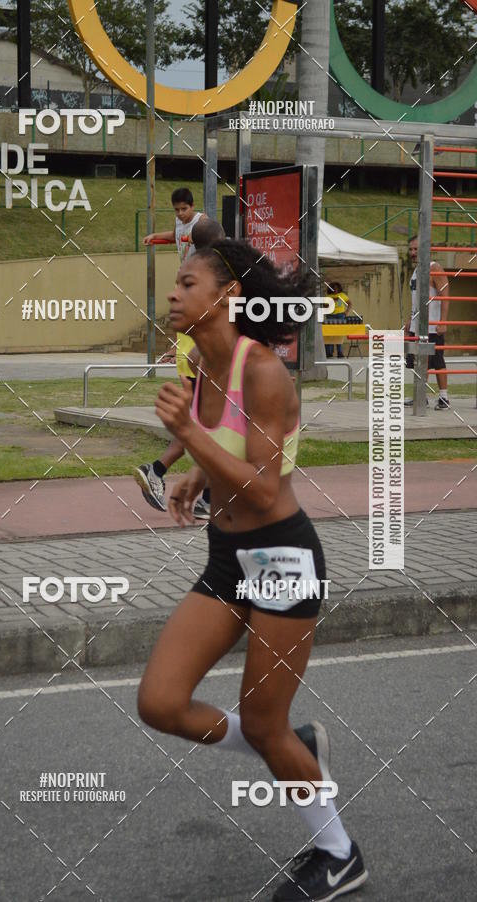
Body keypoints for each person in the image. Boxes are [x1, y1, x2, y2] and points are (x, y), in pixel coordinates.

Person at [137, 240, 367, 902]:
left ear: (228, 294)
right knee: (161, 702)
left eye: (187, 282)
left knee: (262, 722)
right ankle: (293, 747)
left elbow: (267, 489)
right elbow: (222, 453)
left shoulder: (262, 370)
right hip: (226, 557)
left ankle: (339, 852)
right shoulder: (201, 365)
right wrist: (193, 474)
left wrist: (194, 442)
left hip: (282, 558)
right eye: (173, 283)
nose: (173, 293)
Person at [134, 212, 225, 517]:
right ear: (217, 242)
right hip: (206, 358)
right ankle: (160, 472)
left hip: (192, 354)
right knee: (211, 427)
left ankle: (205, 496)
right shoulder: (213, 275)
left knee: (207, 425)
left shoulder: (188, 271)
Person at [404, 234, 450, 409]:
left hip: (432, 325)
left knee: (437, 361)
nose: (413, 252)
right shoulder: (416, 271)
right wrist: (410, 320)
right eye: (411, 249)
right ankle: (420, 396)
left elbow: (446, 297)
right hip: (418, 325)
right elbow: (416, 300)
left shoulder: (435, 268)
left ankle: (444, 397)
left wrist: (443, 321)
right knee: (419, 361)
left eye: (416, 249)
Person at [324, 281, 352, 359]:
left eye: (337, 288)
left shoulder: (342, 295)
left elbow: (350, 303)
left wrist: (346, 312)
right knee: (330, 334)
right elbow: (325, 306)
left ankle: (340, 352)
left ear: (339, 288)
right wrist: (332, 301)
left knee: (339, 334)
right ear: (331, 289)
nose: (335, 290)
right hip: (330, 316)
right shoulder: (328, 296)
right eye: (333, 288)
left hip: (340, 316)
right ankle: (329, 352)